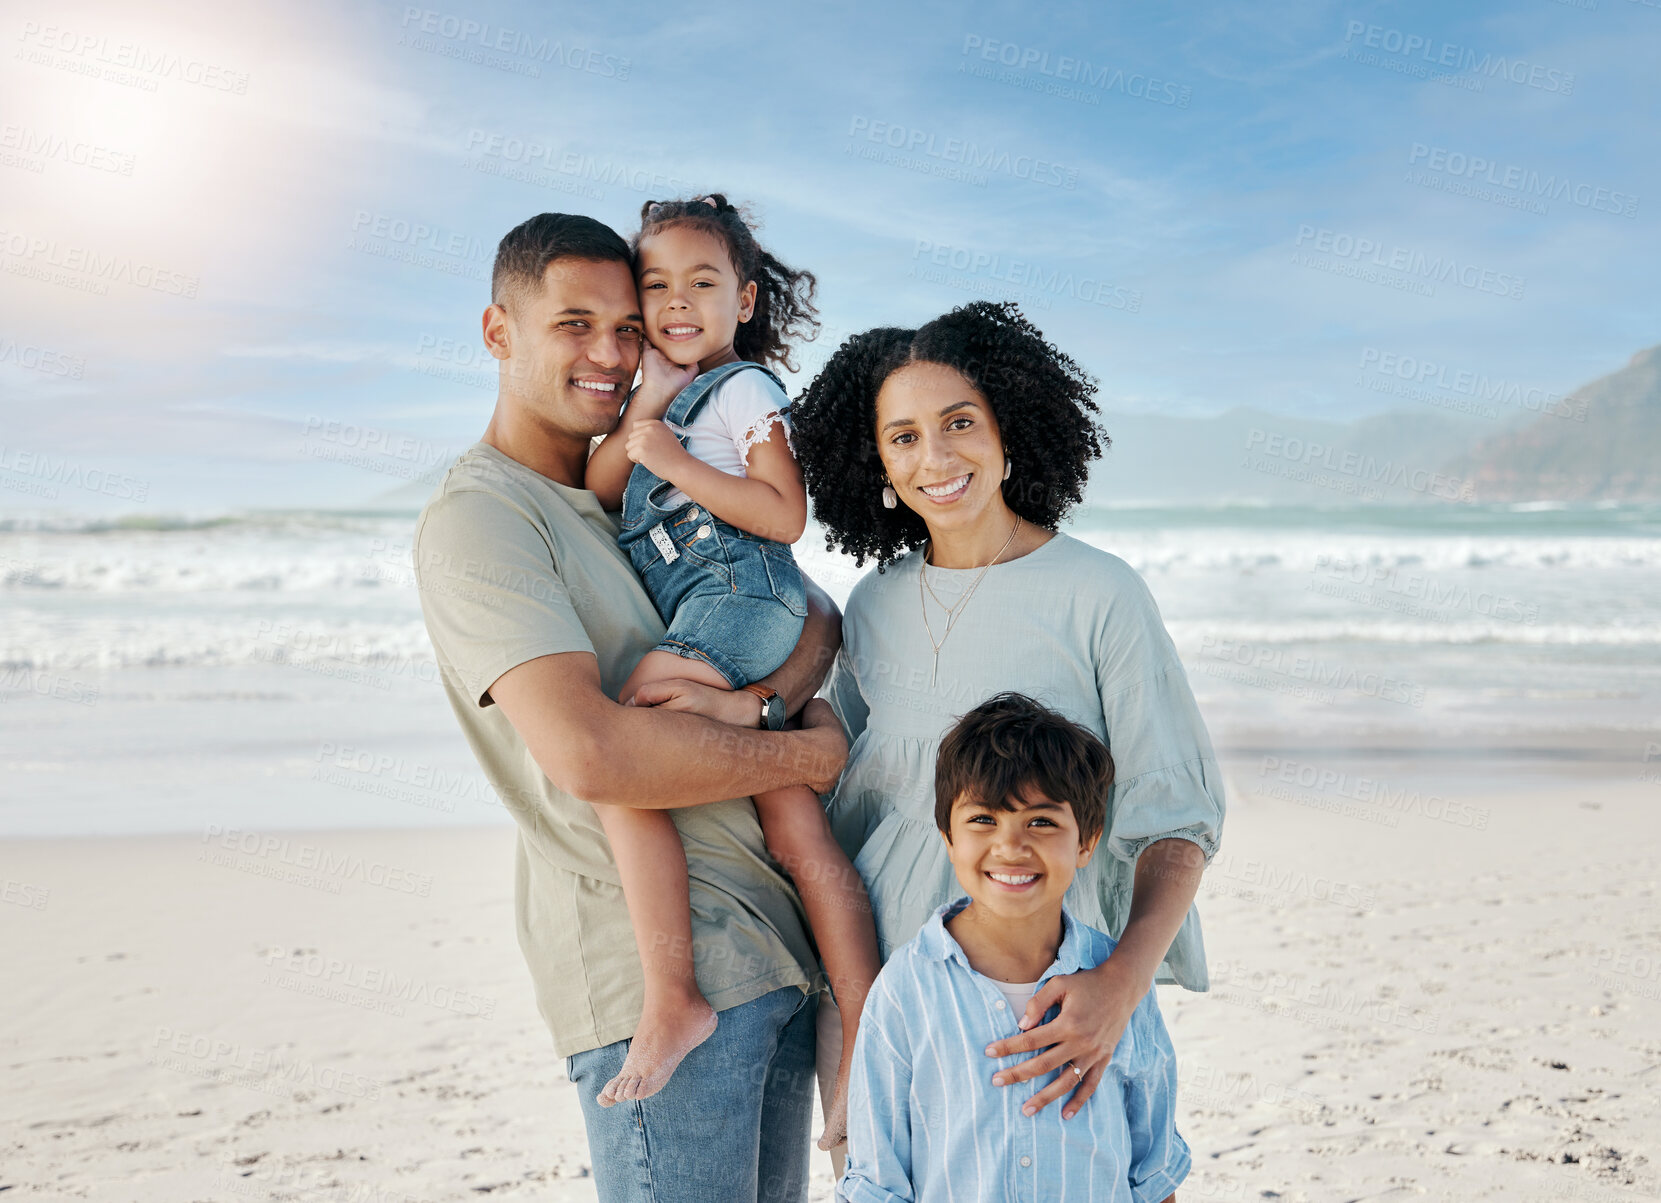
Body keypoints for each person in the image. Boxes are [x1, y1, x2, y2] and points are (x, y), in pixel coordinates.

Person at [413, 211, 849, 1203]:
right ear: (498, 334)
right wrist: (801, 759)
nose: (610, 354)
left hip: (768, 957)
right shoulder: (484, 517)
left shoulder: (626, 494)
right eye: (574, 325)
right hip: (657, 974)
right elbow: (596, 757)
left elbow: (808, 616)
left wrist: (772, 710)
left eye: (628, 327)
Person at [790, 301, 1224, 1168]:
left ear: (1008, 431)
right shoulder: (873, 605)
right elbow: (842, 796)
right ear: (874, 460)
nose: (935, 457)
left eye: (959, 423)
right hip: (885, 991)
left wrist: (1117, 986)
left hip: (1047, 995)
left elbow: (1177, 816)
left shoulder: (1098, 593)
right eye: (903, 436)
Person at [580, 195, 879, 1143]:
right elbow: (600, 485)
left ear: (742, 298)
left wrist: (668, 448)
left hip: (741, 599)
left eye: (701, 283)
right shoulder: (664, 394)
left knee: (626, 737)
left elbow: (784, 517)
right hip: (721, 605)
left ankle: (673, 997)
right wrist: (648, 408)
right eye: (655, 285)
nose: (676, 302)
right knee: (797, 829)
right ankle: (864, 1037)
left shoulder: (747, 390)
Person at [838, 693, 1189, 1203]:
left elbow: (1152, 1166)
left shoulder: (1119, 980)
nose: (1010, 846)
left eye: (1042, 822)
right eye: (983, 820)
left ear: (1087, 841)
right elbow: (878, 1178)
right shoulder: (905, 988)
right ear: (948, 836)